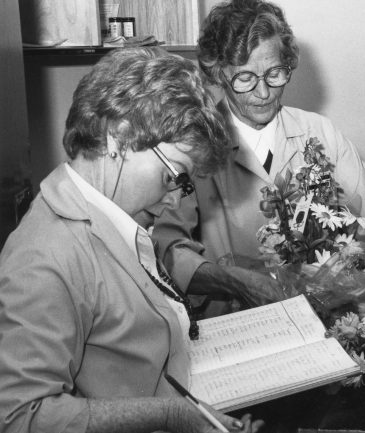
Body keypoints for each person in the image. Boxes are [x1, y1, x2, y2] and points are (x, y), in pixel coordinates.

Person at [0, 47, 263, 433]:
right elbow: (20, 416)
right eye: (173, 175)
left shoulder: (108, 218)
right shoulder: (46, 256)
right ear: (118, 136)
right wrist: (170, 416)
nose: (175, 198)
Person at [152, 0, 365, 315]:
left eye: (274, 73)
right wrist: (235, 282)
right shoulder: (193, 144)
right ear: (218, 74)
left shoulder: (318, 133)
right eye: (244, 78)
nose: (263, 92)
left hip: (324, 317)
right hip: (235, 322)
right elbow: (167, 248)